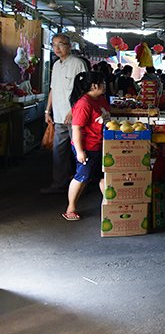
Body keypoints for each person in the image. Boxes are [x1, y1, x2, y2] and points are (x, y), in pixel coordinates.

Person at [44, 33, 89, 194]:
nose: (57, 48)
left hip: (75, 117)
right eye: (54, 44)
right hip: (58, 117)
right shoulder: (56, 65)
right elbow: (53, 89)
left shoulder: (78, 63)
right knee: (59, 151)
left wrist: (73, 110)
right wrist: (47, 110)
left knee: (79, 151)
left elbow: (84, 90)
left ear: (69, 46)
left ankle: (81, 183)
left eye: (61, 44)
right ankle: (59, 182)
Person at [63, 71, 110, 220]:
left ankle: (110, 205)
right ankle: (70, 208)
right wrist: (79, 151)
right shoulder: (84, 103)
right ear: (94, 85)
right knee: (82, 177)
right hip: (87, 147)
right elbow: (76, 128)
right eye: (103, 82)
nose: (105, 85)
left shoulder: (100, 99)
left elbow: (107, 113)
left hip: (100, 144)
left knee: (103, 176)